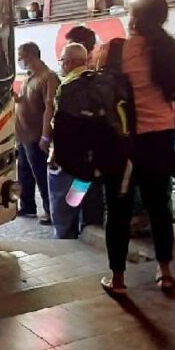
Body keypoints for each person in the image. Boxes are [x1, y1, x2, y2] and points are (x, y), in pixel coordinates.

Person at [98, 0, 175, 296]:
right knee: (159, 207)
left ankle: (118, 279)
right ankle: (164, 272)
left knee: (118, 209)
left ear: (134, 17)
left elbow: (103, 93)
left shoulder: (115, 49)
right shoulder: (174, 50)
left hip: (122, 141)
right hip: (161, 139)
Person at [47, 42, 91, 237]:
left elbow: (60, 124)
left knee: (62, 201)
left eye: (62, 60)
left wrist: (54, 154)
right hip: (91, 157)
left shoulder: (68, 86)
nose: (61, 64)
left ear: (70, 62)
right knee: (80, 196)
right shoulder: (97, 81)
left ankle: (65, 238)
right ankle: (83, 233)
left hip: (69, 158)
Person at [63, 25, 105, 227]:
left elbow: (61, 120)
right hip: (97, 147)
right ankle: (90, 223)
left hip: (77, 150)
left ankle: (73, 228)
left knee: (73, 192)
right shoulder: (99, 79)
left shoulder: (69, 84)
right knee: (91, 188)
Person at [13, 42, 59, 224]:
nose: (19, 61)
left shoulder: (48, 77)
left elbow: (50, 108)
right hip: (23, 136)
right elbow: (26, 99)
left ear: (31, 56)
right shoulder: (30, 77)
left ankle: (50, 210)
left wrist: (46, 136)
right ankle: (28, 206)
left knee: (41, 174)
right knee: (24, 172)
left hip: (36, 137)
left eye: (20, 57)